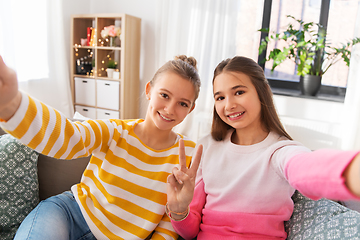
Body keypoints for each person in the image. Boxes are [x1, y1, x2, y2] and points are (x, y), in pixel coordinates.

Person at [0, 54, 201, 240]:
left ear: (191, 109)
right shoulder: (115, 130)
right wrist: (12, 105)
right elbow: (68, 138)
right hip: (69, 213)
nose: (169, 108)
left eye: (182, 104)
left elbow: (167, 225)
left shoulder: (188, 154)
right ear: (149, 90)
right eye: (164, 95)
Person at [166, 56, 360, 239]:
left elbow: (307, 167)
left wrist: (351, 170)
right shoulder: (207, 146)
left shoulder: (280, 151)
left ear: (261, 91)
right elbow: (190, 232)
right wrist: (179, 210)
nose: (229, 105)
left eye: (239, 92)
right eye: (220, 97)